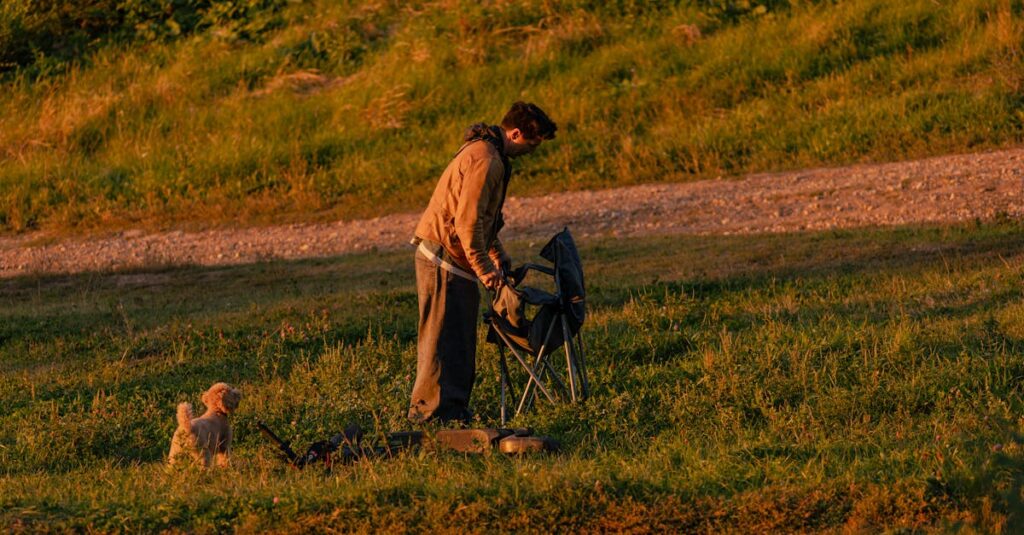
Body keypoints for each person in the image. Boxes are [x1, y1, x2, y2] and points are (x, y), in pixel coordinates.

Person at [408, 101, 557, 424]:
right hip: (444, 258)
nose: (533, 151)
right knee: (441, 339)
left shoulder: (489, 153)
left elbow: (481, 218)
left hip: (457, 256)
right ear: (515, 133)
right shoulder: (486, 161)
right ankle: (429, 417)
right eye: (532, 144)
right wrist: (488, 272)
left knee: (459, 336)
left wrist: (496, 252)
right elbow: (466, 225)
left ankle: (452, 410)